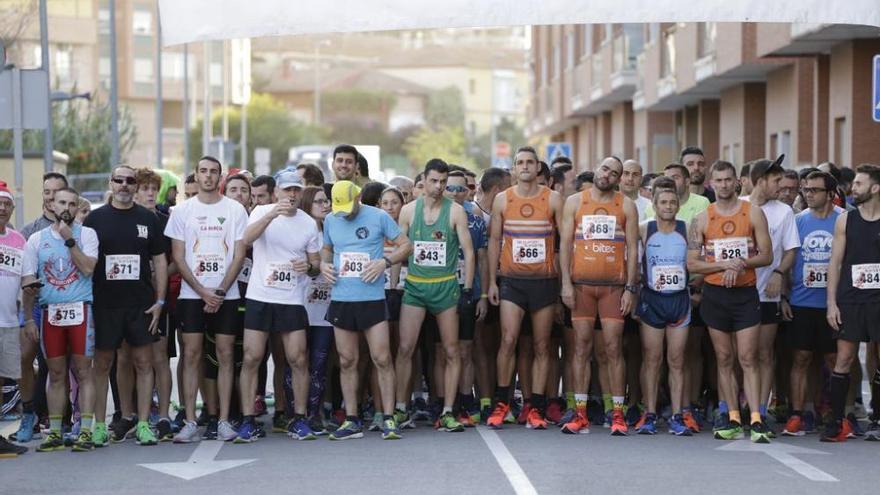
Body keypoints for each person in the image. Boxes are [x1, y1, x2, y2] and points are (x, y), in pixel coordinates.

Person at [687, 160, 773, 443]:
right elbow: (692, 264)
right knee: (724, 358)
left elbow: (767, 256)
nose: (724, 185)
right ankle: (733, 416)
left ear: (737, 182)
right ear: (712, 184)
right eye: (719, 180)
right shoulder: (701, 218)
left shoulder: (754, 213)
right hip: (715, 296)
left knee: (748, 357)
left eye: (728, 180)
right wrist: (724, 266)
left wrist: (741, 264)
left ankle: (757, 417)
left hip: (745, 295)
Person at [165, 156, 248, 443]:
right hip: (192, 295)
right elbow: (177, 256)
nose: (209, 176)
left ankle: (224, 420)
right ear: (196, 175)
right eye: (203, 171)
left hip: (227, 294)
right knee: (191, 355)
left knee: (226, 355)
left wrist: (221, 291)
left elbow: (239, 254)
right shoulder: (182, 211)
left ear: (220, 176)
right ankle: (190, 420)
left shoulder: (235, 209)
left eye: (214, 172)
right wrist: (202, 292)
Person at [320, 181, 411, 440]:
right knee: (347, 360)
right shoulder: (331, 219)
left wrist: (385, 261)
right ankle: (351, 419)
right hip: (342, 298)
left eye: (349, 206)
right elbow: (326, 248)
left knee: (382, 358)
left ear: (359, 197)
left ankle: (389, 417)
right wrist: (325, 266)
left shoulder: (379, 216)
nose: (345, 213)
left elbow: (406, 245)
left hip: (371, 298)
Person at [235, 171, 321, 442]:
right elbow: (246, 239)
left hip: (291, 298)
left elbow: (316, 265)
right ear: (277, 193)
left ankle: (299, 418)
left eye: (296, 190)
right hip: (260, 296)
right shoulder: (261, 212)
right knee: (251, 357)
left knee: (297, 359)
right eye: (287, 190)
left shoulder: (308, 223)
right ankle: (248, 420)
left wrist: (307, 267)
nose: (292, 195)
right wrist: (271, 214)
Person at [85, 166, 167, 447]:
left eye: (130, 181)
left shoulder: (148, 218)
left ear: (136, 186)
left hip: (140, 305)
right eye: (118, 180)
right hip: (105, 304)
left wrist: (160, 301)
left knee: (144, 363)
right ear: (110, 183)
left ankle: (143, 424)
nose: (124, 185)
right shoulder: (94, 219)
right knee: (103, 365)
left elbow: (159, 261)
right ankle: (98, 425)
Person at [559, 156, 639, 435]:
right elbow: (565, 245)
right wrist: (566, 284)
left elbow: (632, 250)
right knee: (581, 348)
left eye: (614, 173)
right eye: (605, 168)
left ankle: (617, 413)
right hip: (581, 286)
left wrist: (630, 288)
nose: (607, 175)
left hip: (613, 289)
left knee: (613, 349)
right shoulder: (574, 202)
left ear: (619, 180)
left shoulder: (625, 205)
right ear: (596, 168)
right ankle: (579, 412)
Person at [393, 160, 474, 433]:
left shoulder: (456, 212)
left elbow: (469, 251)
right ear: (424, 181)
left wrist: (469, 290)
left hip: (445, 287)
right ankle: (400, 408)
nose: (439, 187)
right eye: (435, 181)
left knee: (451, 350)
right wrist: (394, 288)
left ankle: (449, 411)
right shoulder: (407, 211)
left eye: (443, 182)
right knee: (405, 349)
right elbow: (400, 249)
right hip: (415, 287)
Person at [486, 146, 564, 430]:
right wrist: (491, 282)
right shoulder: (502, 200)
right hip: (512, 280)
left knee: (543, 345)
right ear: (514, 168)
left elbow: (564, 243)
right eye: (520, 162)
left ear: (538, 168)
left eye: (530, 162)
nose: (526, 166)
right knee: (508, 341)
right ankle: (501, 403)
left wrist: (563, 283)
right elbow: (494, 241)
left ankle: (536, 406)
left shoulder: (553, 199)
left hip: (543, 282)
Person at [21, 187, 99, 452]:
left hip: (80, 310)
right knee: (55, 373)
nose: (66, 207)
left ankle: (85, 431)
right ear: (51, 205)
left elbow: (88, 268)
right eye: (61, 202)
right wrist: (28, 320)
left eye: (72, 204)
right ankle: (55, 431)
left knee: (83, 371)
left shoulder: (86, 234)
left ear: (77, 208)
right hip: (50, 311)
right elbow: (28, 281)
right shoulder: (36, 240)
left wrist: (69, 239)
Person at [781, 171, 842, 437]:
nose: (808, 194)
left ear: (830, 194)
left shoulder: (843, 220)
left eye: (815, 190)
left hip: (834, 303)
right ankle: (796, 414)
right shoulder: (797, 221)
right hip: (802, 301)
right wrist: (784, 296)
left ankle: (836, 413)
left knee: (835, 359)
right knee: (802, 358)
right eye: (806, 190)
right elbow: (787, 259)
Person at [823, 164, 880, 442]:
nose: (853, 188)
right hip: (851, 299)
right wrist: (831, 303)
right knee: (844, 358)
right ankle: (835, 422)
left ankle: (877, 418)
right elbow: (834, 263)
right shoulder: (845, 220)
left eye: (859, 183)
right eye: (854, 183)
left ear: (875, 188)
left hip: (878, 301)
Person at [743, 158, 800, 429]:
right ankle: (737, 408)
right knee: (739, 355)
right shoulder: (739, 205)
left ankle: (760, 410)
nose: (782, 185)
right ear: (760, 180)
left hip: (768, 293)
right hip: (737, 293)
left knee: (764, 353)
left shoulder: (784, 212)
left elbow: (791, 250)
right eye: (776, 180)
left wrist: (779, 274)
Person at [634, 178, 693, 436]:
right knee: (652, 359)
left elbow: (699, 263)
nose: (668, 206)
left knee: (677, 360)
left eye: (672, 202)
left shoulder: (687, 229)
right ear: (655, 205)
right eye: (663, 202)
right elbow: (631, 262)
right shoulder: (643, 229)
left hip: (679, 300)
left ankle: (678, 415)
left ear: (678, 206)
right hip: (652, 300)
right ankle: (649, 413)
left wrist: (694, 283)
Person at [12, 172, 68, 444]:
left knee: (59, 365)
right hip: (36, 305)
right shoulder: (29, 231)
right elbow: (22, 276)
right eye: (47, 192)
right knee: (25, 357)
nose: (50, 197)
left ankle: (63, 419)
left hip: (65, 305)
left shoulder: (78, 228)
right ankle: (29, 413)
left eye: (57, 192)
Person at [133, 167, 176, 441]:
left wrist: (158, 275)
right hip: (128, 299)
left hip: (160, 298)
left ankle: (163, 415)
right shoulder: (122, 219)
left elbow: (175, 260)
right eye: (145, 188)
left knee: (160, 358)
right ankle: (132, 415)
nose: (150, 193)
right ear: (134, 191)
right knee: (131, 359)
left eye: (153, 189)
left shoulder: (164, 220)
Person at [444, 171, 489, 426]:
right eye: (450, 188)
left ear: (468, 192)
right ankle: (444, 401)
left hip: (468, 290)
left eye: (461, 189)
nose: (455, 193)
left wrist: (482, 294)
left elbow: (482, 258)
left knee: (466, 349)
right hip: (440, 291)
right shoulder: (435, 216)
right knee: (444, 351)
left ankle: (466, 398)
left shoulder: (475, 220)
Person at [299, 186, 335, 434]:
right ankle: (296, 413)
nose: (326, 205)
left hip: (325, 307)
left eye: (327, 201)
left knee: (321, 363)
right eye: (319, 201)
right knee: (299, 362)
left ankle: (316, 413)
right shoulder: (299, 231)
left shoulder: (333, 230)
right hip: (300, 305)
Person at [0, 183, 28, 456]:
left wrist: (27, 319)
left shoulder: (19, 240)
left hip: (8, 322)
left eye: (7, 204)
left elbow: (26, 281)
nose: (2, 208)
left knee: (3, 379)